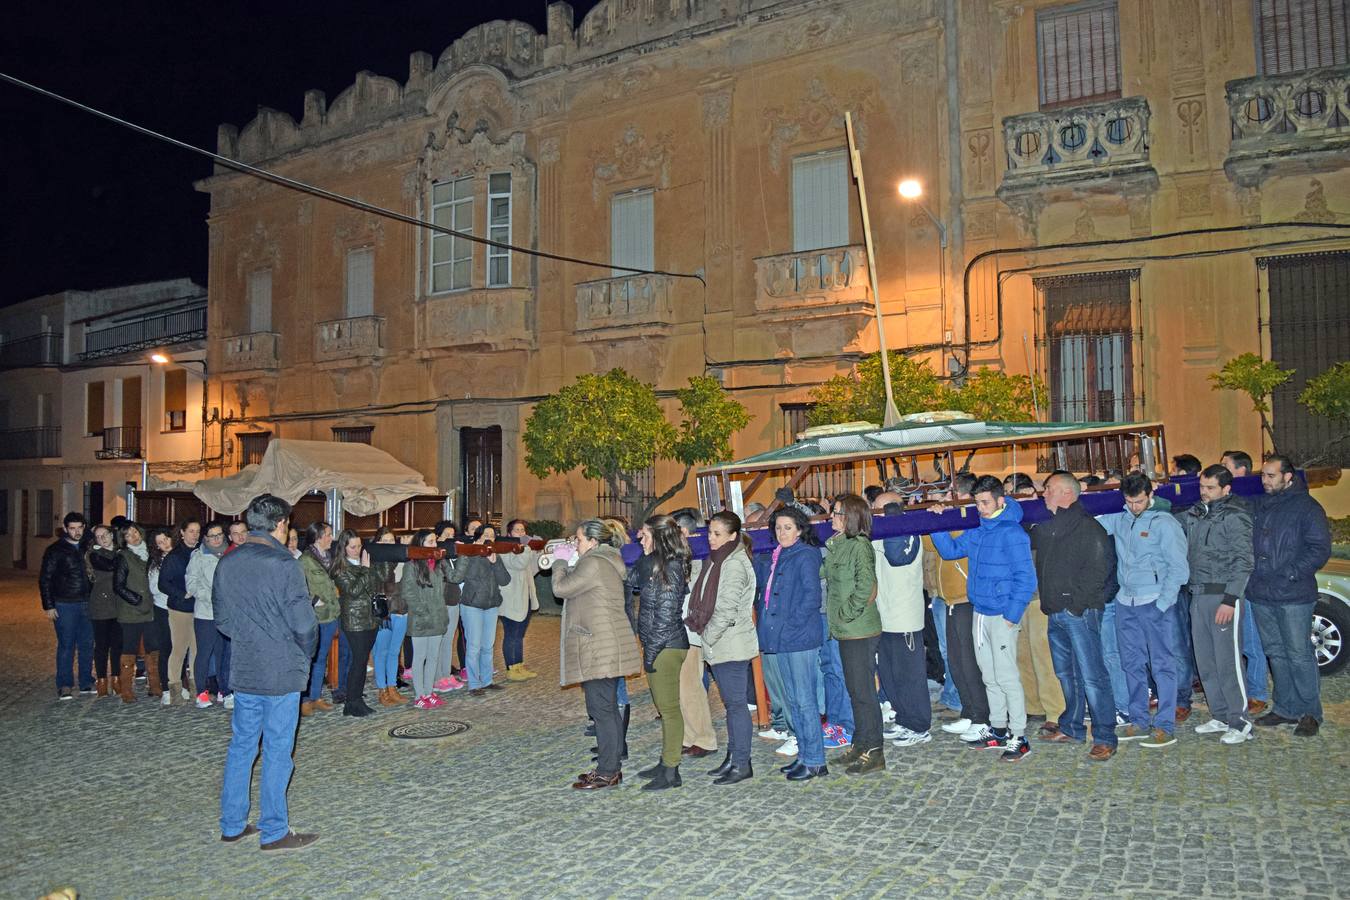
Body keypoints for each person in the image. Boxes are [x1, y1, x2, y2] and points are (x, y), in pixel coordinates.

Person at [214, 494, 319, 851]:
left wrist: (250, 637)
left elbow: (223, 621)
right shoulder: (284, 564)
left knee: (242, 746)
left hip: (245, 666)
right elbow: (305, 624)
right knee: (277, 749)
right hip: (281, 669)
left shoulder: (228, 563)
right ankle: (274, 829)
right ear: (280, 524)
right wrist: (302, 655)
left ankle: (232, 823)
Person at [931, 475, 1037, 762]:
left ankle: (1019, 735)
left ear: (1001, 500)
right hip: (980, 611)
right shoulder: (979, 530)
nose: (980, 508)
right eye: (977, 502)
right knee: (989, 676)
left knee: (1006, 676)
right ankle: (999, 728)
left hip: (1001, 614)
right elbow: (950, 551)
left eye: (985, 502)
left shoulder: (1013, 534)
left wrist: (1011, 616)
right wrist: (938, 522)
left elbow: (1026, 579)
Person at [1098, 473, 1189, 749]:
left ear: (1150, 496)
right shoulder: (1121, 519)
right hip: (1126, 602)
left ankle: (1164, 725)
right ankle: (1138, 721)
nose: (1134, 506)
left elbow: (1179, 569)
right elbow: (1089, 522)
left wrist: (1163, 603)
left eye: (1139, 501)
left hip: (1155, 602)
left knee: (1162, 664)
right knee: (1131, 664)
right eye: (1129, 501)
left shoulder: (1165, 523)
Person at [1031, 473, 1118, 760]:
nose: (1043, 494)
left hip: (1079, 613)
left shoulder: (1088, 528)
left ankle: (1105, 736)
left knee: (1093, 676)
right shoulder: (1049, 527)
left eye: (1049, 490)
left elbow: (1099, 572)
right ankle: (1072, 727)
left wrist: (1076, 606)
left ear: (1067, 493)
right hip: (1055, 613)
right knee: (1067, 674)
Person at [551, 519, 642, 790]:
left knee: (601, 709)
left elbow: (560, 589)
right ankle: (609, 766)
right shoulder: (604, 559)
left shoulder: (594, 562)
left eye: (578, 539)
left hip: (599, 646)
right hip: (603, 644)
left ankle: (608, 771)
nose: (574, 544)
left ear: (592, 541)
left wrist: (559, 561)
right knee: (605, 709)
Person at [1248, 454, 1332, 737]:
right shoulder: (1260, 505)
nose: (1265, 480)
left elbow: (1319, 548)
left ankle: (1310, 712)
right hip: (1262, 592)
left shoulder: (1307, 508)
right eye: (1263, 475)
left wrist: (1291, 572)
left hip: (1294, 593)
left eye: (1271, 475)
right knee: (1275, 652)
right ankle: (1285, 708)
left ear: (1288, 477)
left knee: (1299, 654)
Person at [1179, 464, 1256, 745]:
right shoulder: (1195, 514)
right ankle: (1221, 714)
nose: (1204, 493)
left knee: (1228, 661)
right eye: (1201, 487)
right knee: (1206, 661)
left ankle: (1241, 720)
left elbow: (1244, 561)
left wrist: (1231, 599)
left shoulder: (1236, 516)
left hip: (1224, 596)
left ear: (1226, 489)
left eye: (1210, 488)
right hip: (1198, 594)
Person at [755, 506, 829, 781]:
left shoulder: (806, 554)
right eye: (778, 527)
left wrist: (791, 626)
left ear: (799, 529)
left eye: (787, 527)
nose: (782, 532)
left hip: (799, 638)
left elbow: (812, 597)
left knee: (804, 700)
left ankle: (816, 760)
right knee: (792, 701)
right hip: (782, 638)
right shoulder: (780, 554)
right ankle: (804, 754)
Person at [687, 511, 758, 785]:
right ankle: (733, 757)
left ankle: (742, 763)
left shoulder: (734, 563)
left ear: (732, 535)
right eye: (709, 533)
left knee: (737, 705)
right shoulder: (718, 560)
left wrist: (707, 638)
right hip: (721, 642)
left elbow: (727, 609)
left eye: (717, 534)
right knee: (731, 705)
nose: (711, 538)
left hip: (730, 642)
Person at [924, 473, 993, 743]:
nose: (945, 496)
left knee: (969, 661)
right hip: (948, 598)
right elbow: (930, 544)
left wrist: (942, 522)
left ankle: (982, 718)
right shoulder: (955, 515)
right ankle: (969, 710)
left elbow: (951, 550)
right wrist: (936, 518)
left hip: (966, 598)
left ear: (962, 494)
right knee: (955, 660)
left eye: (949, 492)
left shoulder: (972, 519)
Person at [824, 494, 885, 776]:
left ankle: (875, 750)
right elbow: (825, 572)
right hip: (847, 630)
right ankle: (861, 744)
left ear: (851, 517)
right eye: (832, 512)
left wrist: (846, 613)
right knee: (855, 691)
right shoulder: (841, 544)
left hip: (859, 629)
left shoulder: (860, 546)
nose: (831, 517)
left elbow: (866, 586)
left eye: (837, 513)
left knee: (863, 694)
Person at [632, 514, 692, 791]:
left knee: (669, 709)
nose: (638, 539)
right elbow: (631, 580)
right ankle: (665, 761)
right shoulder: (656, 563)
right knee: (664, 707)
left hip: (666, 646)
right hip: (660, 644)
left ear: (657, 536)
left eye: (644, 534)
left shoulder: (671, 566)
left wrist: (651, 652)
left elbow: (667, 614)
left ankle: (671, 770)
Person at [870, 500, 932, 751]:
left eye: (883, 508)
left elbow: (897, 557)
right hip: (884, 615)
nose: (878, 513)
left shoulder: (907, 532)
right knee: (890, 675)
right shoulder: (880, 533)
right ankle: (904, 717)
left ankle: (919, 725)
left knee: (909, 676)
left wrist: (893, 520)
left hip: (904, 616)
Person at [1220, 448, 1269, 715]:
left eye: (1226, 466)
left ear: (1241, 471)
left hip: (1246, 582)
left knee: (1251, 641)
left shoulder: (1251, 500)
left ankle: (1258, 691)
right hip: (1225, 580)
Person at [670, 509, 719, 759]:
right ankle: (690, 735)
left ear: (684, 532)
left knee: (691, 687)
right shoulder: (684, 557)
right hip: (680, 630)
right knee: (682, 687)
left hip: (691, 631)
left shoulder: (699, 559)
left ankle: (705, 738)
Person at [448, 524, 511, 696]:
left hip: (491, 604)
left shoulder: (494, 555)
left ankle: (487, 680)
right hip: (472, 604)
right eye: (486, 535)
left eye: (492, 535)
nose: (489, 538)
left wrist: (495, 562)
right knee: (474, 646)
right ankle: (474, 684)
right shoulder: (469, 553)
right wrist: (470, 554)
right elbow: (459, 577)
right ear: (478, 537)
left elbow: (505, 580)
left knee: (487, 646)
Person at [40, 511, 94, 700]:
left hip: (87, 601)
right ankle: (64, 684)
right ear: (65, 529)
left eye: (80, 528)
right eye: (72, 528)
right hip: (64, 603)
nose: (76, 532)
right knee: (66, 645)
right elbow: (45, 579)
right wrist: (48, 605)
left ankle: (86, 681)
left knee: (87, 644)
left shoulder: (88, 546)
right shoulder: (55, 550)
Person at [332, 529, 380, 717]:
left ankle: (357, 698)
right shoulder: (339, 568)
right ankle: (352, 702)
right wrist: (365, 570)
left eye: (360, 546)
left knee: (361, 661)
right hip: (354, 620)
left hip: (369, 618)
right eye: (353, 547)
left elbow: (375, 584)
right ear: (343, 548)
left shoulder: (363, 563)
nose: (357, 550)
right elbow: (353, 591)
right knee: (358, 662)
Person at [402, 529, 452, 709]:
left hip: (437, 617)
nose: (434, 545)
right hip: (421, 620)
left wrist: (458, 558)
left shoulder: (439, 564)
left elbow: (455, 578)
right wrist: (422, 611)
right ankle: (419, 695)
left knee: (433, 657)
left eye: (435, 542)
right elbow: (408, 592)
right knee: (420, 657)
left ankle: (429, 691)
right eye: (430, 542)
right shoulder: (412, 565)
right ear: (420, 544)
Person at [114, 524, 160, 704]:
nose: (133, 536)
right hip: (131, 610)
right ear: (123, 539)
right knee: (129, 650)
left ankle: (155, 685)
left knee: (152, 647)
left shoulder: (150, 553)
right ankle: (126, 689)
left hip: (151, 609)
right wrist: (137, 601)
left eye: (135, 532)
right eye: (128, 535)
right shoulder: (123, 557)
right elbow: (118, 585)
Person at [187, 523, 231, 709]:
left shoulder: (231, 554)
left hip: (227, 613)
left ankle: (225, 691)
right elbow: (191, 585)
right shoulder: (198, 556)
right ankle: (201, 692)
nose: (216, 539)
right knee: (204, 654)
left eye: (219, 535)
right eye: (212, 536)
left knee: (224, 654)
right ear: (205, 538)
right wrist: (212, 597)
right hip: (206, 613)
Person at [158, 518, 201, 705]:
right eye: (191, 531)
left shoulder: (201, 553)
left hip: (199, 608)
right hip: (180, 609)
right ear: (182, 533)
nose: (195, 535)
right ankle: (174, 689)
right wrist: (181, 594)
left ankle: (195, 689)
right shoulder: (174, 556)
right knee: (179, 649)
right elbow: (163, 583)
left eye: (198, 531)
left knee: (197, 650)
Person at [299, 521, 339, 715]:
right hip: (315, 616)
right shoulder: (305, 560)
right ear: (318, 537)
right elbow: (298, 587)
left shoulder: (330, 557)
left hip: (331, 614)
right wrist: (315, 601)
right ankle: (305, 699)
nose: (332, 538)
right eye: (329, 534)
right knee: (310, 658)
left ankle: (316, 696)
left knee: (322, 658)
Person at [370, 527, 409, 708]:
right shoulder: (375, 562)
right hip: (385, 614)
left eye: (391, 542)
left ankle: (393, 686)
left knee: (394, 651)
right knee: (381, 652)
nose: (388, 545)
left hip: (401, 611)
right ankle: (382, 688)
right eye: (384, 541)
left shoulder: (403, 560)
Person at [500, 518, 541, 681]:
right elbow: (518, 565)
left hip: (525, 596)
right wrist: (528, 549)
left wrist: (539, 553)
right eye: (517, 530)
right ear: (509, 533)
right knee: (511, 633)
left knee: (519, 634)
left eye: (523, 530)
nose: (521, 533)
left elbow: (532, 568)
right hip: (511, 597)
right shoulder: (504, 549)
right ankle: (511, 668)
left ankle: (519, 665)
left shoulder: (523, 548)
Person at [85, 525, 123, 698]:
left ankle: (117, 678)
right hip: (100, 604)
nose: (102, 539)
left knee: (117, 645)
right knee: (101, 645)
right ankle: (101, 680)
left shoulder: (120, 551)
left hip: (118, 605)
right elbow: (110, 566)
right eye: (98, 537)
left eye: (105, 535)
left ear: (111, 535)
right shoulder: (94, 554)